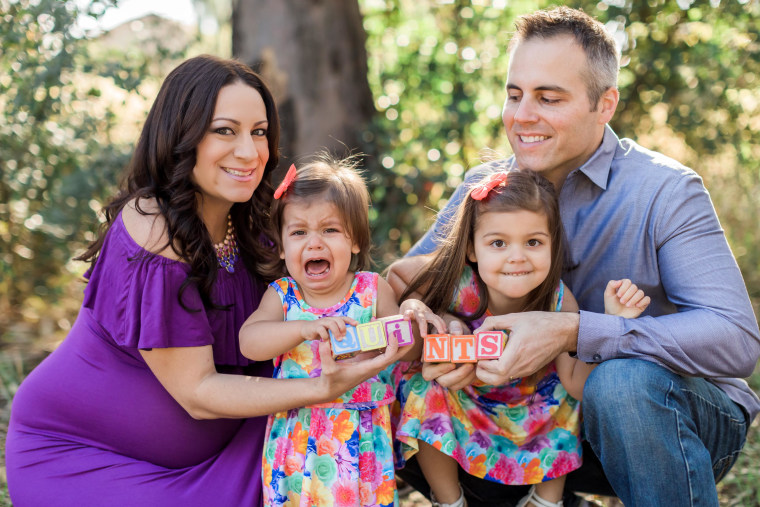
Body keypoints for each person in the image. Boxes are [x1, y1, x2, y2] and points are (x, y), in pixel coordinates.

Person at [391, 6, 760, 506]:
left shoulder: (666, 192)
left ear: (604, 104)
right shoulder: (486, 192)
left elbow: (735, 340)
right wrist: (434, 324)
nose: (522, 116)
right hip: (527, 416)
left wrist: (573, 330)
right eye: (514, 94)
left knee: (620, 384)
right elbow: (402, 288)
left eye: (549, 98)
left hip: (673, 420)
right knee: (387, 367)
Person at [5, 55, 406, 507]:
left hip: (245, 440)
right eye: (224, 130)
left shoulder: (255, 225)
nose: (250, 151)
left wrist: (407, 304)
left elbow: (341, 292)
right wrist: (319, 389)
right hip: (87, 456)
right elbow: (197, 394)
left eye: (259, 132)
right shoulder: (152, 226)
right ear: (182, 136)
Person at [387, 170, 649, 507]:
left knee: (565, 399)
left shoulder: (557, 300)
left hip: (533, 410)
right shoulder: (457, 281)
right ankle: (448, 500)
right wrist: (416, 306)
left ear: (553, 245)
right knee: (420, 383)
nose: (517, 257)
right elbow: (395, 276)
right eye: (498, 243)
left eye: (534, 242)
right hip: (464, 400)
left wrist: (610, 325)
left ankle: (545, 499)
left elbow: (576, 385)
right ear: (471, 248)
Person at [238, 155, 442, 506]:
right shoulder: (284, 295)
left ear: (356, 241)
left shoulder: (371, 289)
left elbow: (407, 347)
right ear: (283, 246)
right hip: (300, 433)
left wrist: (397, 330)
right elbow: (249, 342)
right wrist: (303, 329)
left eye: (329, 230)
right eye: (299, 232)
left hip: (359, 436)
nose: (314, 243)